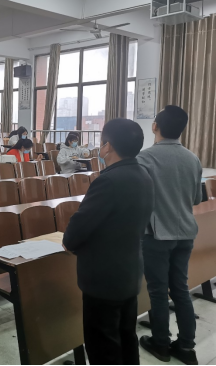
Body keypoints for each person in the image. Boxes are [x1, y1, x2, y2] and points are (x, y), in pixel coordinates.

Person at [63, 119, 155, 365]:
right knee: (126, 338)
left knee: (103, 347)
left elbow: (78, 228)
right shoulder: (143, 174)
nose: (101, 148)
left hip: (103, 279)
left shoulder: (108, 180)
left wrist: (69, 241)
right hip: (129, 273)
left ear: (108, 146)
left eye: (102, 143)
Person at [137, 106, 203, 365]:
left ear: (155, 126)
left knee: (157, 291)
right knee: (180, 289)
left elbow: (139, 199)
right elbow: (196, 199)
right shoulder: (193, 159)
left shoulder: (145, 158)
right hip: (185, 233)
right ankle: (186, 347)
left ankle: (161, 344)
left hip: (156, 235)